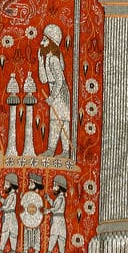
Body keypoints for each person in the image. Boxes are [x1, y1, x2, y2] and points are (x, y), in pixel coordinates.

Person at [37, 24, 72, 156]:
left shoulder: (54, 59)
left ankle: (63, 151)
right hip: (54, 90)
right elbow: (44, 80)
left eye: (44, 40)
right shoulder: (47, 58)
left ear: (51, 42)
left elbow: (59, 80)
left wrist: (52, 97)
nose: (41, 43)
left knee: (61, 121)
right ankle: (53, 150)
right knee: (56, 121)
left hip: (60, 92)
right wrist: (40, 62)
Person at [20, 174, 44, 253]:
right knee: (27, 233)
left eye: (31, 183)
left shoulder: (38, 196)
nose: (29, 184)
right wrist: (22, 198)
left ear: (36, 184)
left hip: (36, 218)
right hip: (27, 217)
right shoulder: (28, 194)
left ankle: (36, 250)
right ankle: (26, 250)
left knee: (36, 233)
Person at [47, 175, 68, 253]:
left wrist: (48, 210)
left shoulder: (61, 198)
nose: (53, 188)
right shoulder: (59, 197)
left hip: (58, 219)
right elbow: (54, 205)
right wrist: (49, 199)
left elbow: (55, 208)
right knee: (58, 236)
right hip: (57, 219)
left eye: (55, 186)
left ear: (60, 186)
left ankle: (51, 252)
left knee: (56, 236)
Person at [0, 176, 18, 253]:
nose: (4, 186)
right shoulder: (10, 195)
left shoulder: (12, 195)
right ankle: (3, 250)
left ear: (11, 185)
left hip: (10, 216)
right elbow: (6, 203)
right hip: (8, 216)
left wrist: (0, 209)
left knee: (9, 233)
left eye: (6, 184)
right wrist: (0, 198)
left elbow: (7, 206)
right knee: (6, 233)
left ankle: (11, 250)